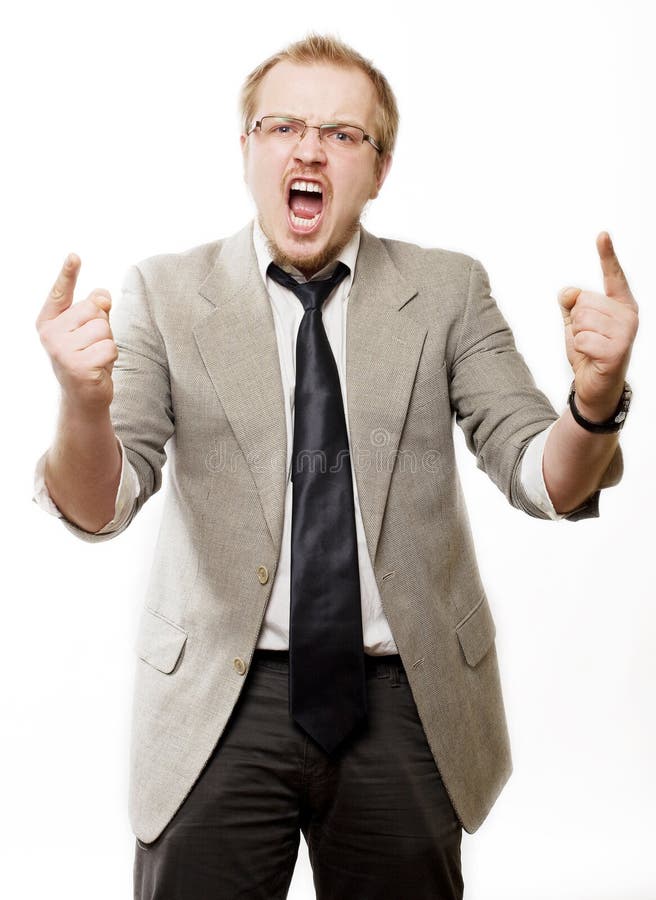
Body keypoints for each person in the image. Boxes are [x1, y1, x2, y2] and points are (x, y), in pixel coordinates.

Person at [33, 34, 638, 900]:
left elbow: (545, 475)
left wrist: (596, 400)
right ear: (246, 150)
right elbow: (100, 505)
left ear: (381, 168)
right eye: (282, 126)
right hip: (218, 700)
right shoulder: (165, 294)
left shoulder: (448, 290)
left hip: (401, 696)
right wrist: (82, 402)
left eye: (343, 135)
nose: (309, 149)